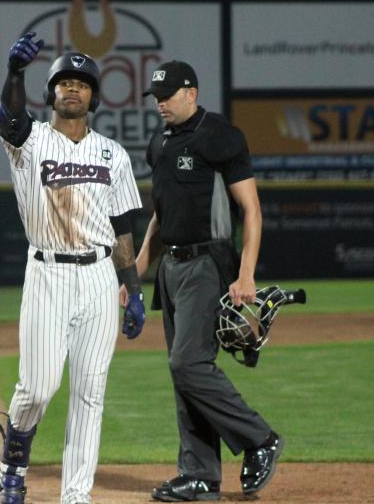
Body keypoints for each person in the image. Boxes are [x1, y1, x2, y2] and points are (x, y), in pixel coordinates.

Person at [0, 32, 145, 504]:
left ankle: (76, 496)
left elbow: (122, 228)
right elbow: (10, 116)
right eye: (64, 81)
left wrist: (132, 288)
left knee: (90, 393)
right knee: (38, 387)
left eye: (82, 82)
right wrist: (15, 72)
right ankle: (15, 456)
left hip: (99, 276)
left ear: (95, 97)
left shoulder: (113, 155)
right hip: (47, 273)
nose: (73, 88)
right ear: (50, 93)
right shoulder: (31, 142)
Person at [128, 60, 284, 501]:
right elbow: (161, 212)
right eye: (156, 95)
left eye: (168, 94)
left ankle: (259, 439)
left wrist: (246, 274)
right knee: (183, 373)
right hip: (170, 268)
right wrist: (139, 266)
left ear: (192, 93)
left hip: (207, 263)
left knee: (188, 364)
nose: (160, 102)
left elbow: (251, 210)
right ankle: (199, 474)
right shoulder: (158, 144)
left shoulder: (220, 136)